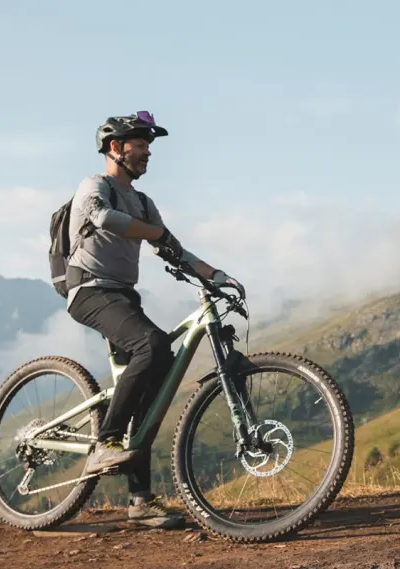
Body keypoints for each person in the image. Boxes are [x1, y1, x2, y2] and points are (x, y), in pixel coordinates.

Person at [65, 111, 245, 528]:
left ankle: (140, 501)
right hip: (89, 290)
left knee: (158, 373)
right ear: (116, 147)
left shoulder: (144, 203)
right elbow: (103, 218)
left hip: (123, 295)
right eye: (141, 145)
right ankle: (106, 442)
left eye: (149, 146)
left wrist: (219, 276)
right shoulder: (94, 186)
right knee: (153, 344)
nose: (148, 152)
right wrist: (155, 234)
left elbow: (174, 250)